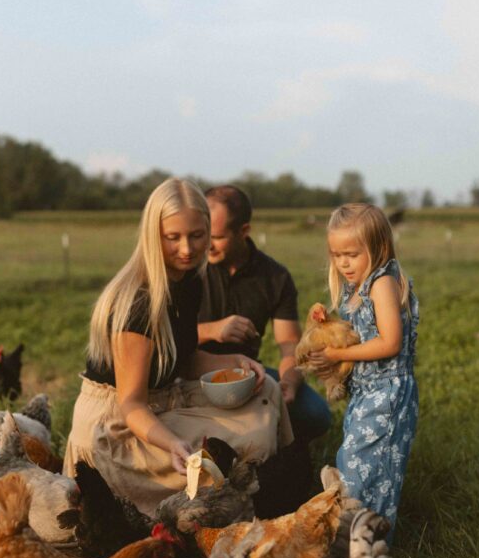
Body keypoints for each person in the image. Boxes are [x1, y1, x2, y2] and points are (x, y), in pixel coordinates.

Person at [63, 178, 292, 515]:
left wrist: (235, 360)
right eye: (173, 238)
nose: (187, 249)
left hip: (159, 399)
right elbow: (131, 404)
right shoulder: (139, 302)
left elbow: (181, 360)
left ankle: (278, 489)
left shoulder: (187, 281)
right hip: (119, 427)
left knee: (267, 389)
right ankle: (241, 508)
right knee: (242, 440)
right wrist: (172, 443)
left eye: (197, 236)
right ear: (153, 236)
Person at [197, 185, 331, 513]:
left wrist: (288, 382)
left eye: (215, 236)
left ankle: (283, 467)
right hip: (193, 369)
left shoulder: (274, 276)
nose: (205, 245)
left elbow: (290, 345)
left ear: (244, 231)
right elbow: (165, 337)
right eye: (203, 234)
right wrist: (214, 329)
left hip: (247, 373)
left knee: (315, 414)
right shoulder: (190, 268)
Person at [308, 203, 419, 534]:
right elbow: (358, 333)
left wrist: (335, 354)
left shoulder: (382, 284)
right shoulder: (355, 287)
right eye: (337, 254)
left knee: (372, 468)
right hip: (367, 392)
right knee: (355, 460)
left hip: (387, 393)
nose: (343, 262)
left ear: (378, 247)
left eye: (352, 254)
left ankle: (370, 540)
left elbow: (389, 343)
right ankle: (355, 535)